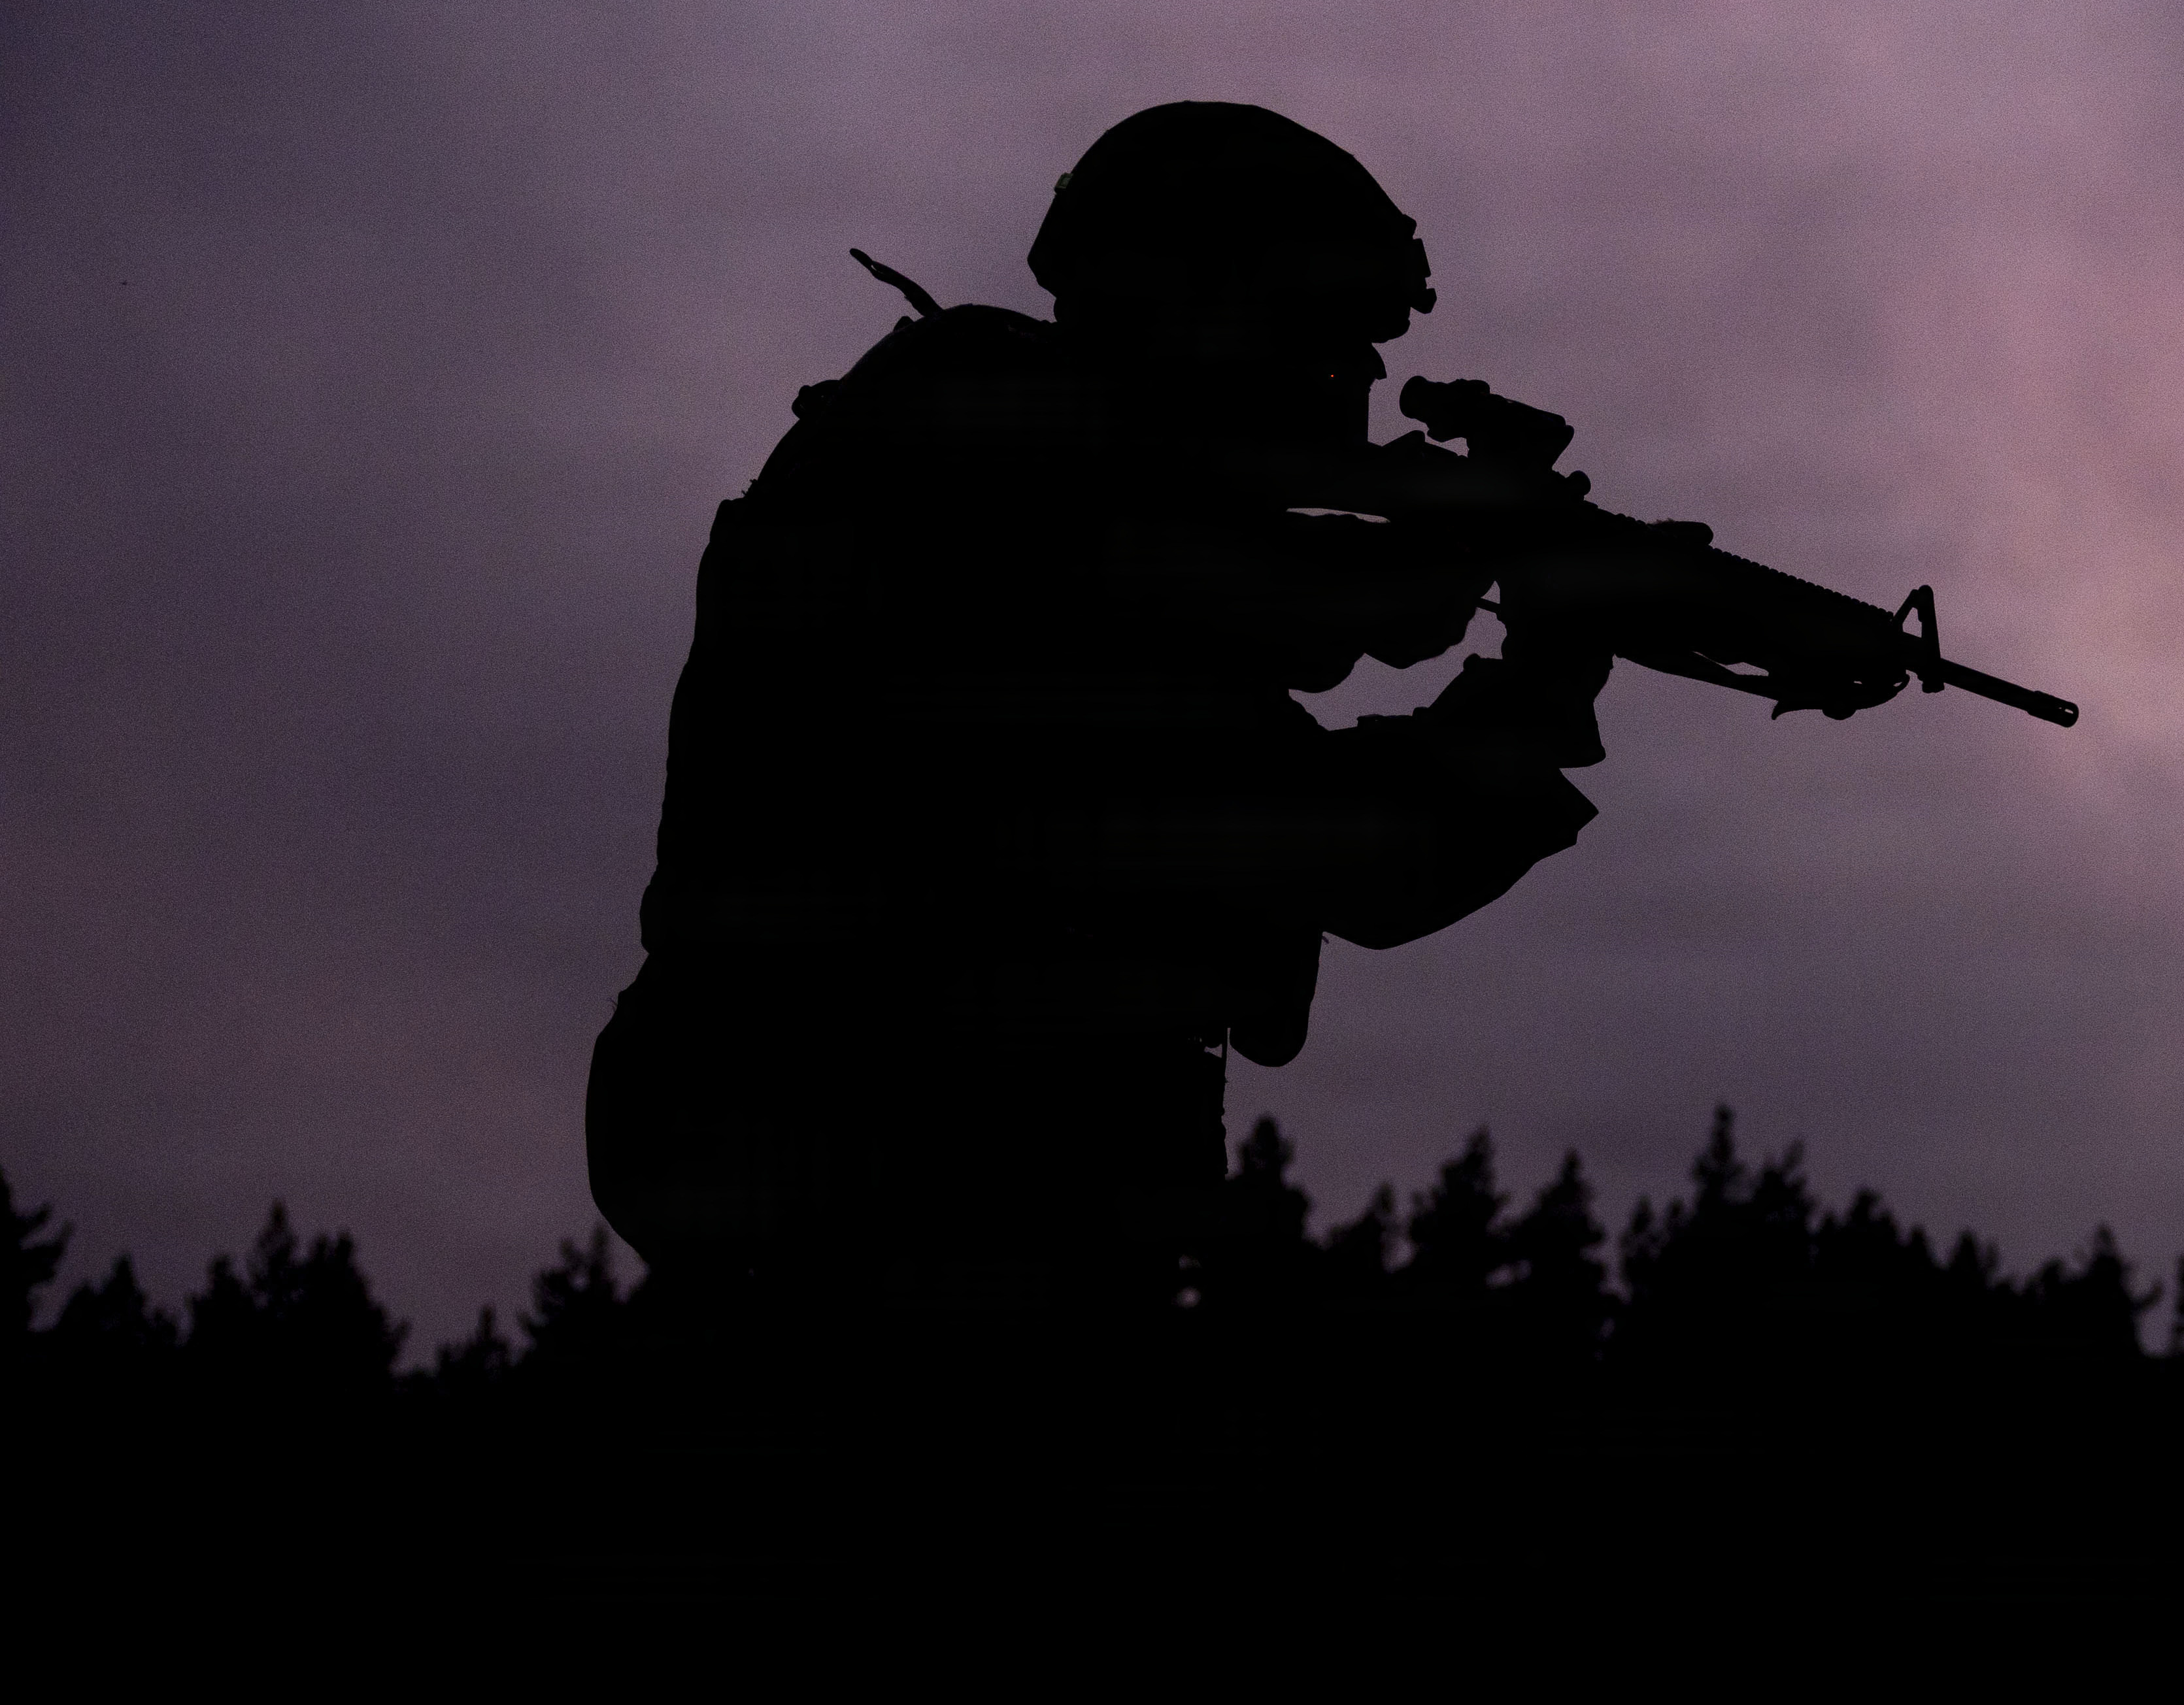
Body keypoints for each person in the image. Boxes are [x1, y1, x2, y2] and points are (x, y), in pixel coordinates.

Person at [584, 103, 1613, 1311]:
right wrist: (1517, 606)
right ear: (1192, 297)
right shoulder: (972, 450)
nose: (1354, 392)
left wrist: (1540, 636)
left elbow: (1335, 794)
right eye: (1323, 344)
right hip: (881, 1197)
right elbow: (1348, 821)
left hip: (978, 1211)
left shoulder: (1075, 538)